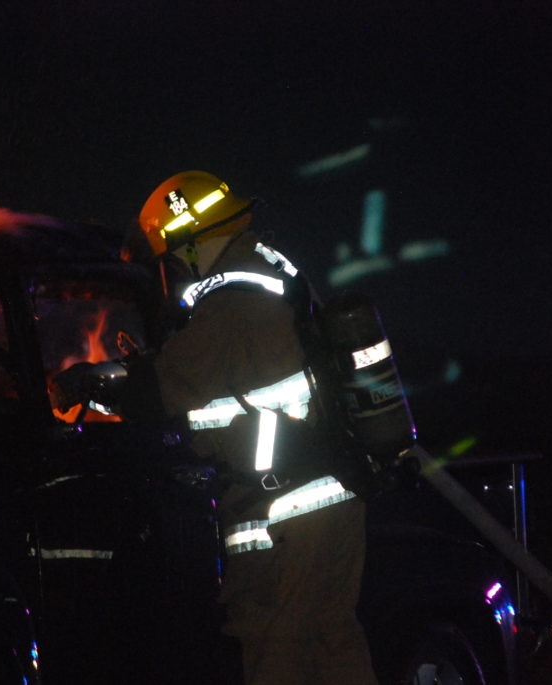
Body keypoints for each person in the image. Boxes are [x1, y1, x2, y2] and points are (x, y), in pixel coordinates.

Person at [53, 170, 379, 685]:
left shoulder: (230, 300)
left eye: (169, 261)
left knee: (274, 645)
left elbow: (161, 391)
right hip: (333, 496)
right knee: (332, 641)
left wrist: (87, 384)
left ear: (190, 246)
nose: (172, 275)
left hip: (282, 513)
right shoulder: (268, 273)